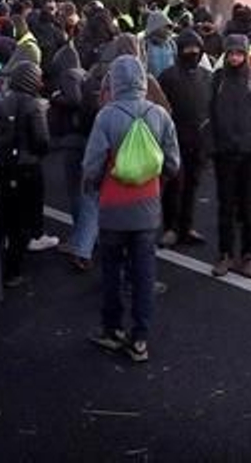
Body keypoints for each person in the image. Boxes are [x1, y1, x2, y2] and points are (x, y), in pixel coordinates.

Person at [83, 56, 180, 363]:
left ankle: (111, 330)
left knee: (111, 271)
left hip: (113, 208)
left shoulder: (106, 116)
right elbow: (173, 163)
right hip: (148, 209)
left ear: (113, 81)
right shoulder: (160, 115)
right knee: (144, 273)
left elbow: (92, 164)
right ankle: (140, 339)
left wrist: (93, 184)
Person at [205, 34, 251, 278]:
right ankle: (225, 253)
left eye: (239, 53)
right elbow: (209, 115)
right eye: (231, 53)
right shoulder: (217, 79)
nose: (235, 57)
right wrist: (212, 146)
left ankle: (250, 254)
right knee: (225, 206)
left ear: (245, 54)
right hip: (224, 152)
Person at [0, 59, 49, 287]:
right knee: (22, 222)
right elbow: (42, 140)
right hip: (27, 168)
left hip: (2, 165)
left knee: (2, 218)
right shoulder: (33, 105)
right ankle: (12, 271)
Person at [158, 30, 210, 246]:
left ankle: (187, 226)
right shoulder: (168, 76)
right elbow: (159, 110)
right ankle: (170, 227)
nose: (193, 53)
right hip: (174, 140)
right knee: (173, 186)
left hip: (199, 141)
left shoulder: (207, 77)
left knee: (192, 186)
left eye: (196, 50)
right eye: (188, 49)